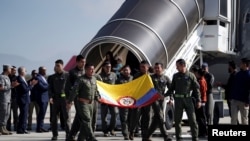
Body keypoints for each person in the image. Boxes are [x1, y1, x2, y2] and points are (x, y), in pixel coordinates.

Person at [165, 59, 201, 141]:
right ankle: (179, 137)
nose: (176, 68)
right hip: (178, 100)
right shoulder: (175, 76)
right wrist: (165, 96)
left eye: (178, 66)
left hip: (188, 99)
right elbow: (171, 88)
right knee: (177, 120)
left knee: (192, 119)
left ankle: (195, 137)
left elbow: (196, 89)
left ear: (183, 65)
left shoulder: (191, 75)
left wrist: (199, 100)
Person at [66, 63, 100, 141]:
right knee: (87, 120)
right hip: (82, 103)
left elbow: (95, 91)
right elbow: (74, 91)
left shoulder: (94, 79)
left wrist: (98, 98)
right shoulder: (80, 79)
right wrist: (70, 102)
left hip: (91, 104)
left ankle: (79, 138)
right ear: (86, 70)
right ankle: (91, 137)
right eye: (90, 69)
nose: (92, 71)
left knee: (83, 122)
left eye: (93, 69)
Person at [146, 62, 172, 141]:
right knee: (160, 116)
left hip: (161, 100)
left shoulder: (166, 78)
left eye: (158, 68)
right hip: (153, 99)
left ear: (162, 69)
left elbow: (171, 89)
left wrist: (170, 98)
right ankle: (166, 136)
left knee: (156, 119)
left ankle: (147, 136)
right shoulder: (151, 77)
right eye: (155, 68)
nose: (156, 69)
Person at [129, 60, 152, 141]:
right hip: (138, 100)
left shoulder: (151, 76)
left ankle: (145, 136)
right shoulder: (136, 76)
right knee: (135, 117)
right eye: (140, 67)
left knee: (146, 118)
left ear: (148, 67)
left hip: (147, 100)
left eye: (143, 67)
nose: (141, 68)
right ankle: (131, 132)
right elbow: (133, 87)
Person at [49, 59, 71, 140]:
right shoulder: (53, 77)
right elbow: (50, 88)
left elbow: (71, 88)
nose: (56, 67)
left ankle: (68, 134)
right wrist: (50, 97)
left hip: (65, 99)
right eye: (55, 65)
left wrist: (70, 100)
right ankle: (55, 135)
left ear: (62, 66)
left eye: (58, 65)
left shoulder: (67, 75)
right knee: (54, 118)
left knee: (67, 118)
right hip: (56, 100)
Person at [66, 54, 86, 141]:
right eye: (82, 62)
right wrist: (69, 100)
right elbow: (68, 86)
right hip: (77, 98)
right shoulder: (72, 72)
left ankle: (71, 136)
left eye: (84, 62)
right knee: (81, 116)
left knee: (79, 117)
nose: (83, 63)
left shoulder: (86, 71)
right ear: (77, 62)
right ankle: (79, 136)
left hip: (85, 98)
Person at [16, 66, 37, 134]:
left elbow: (25, 87)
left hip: (25, 99)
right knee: (24, 115)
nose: (26, 72)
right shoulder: (19, 79)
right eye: (25, 71)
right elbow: (24, 90)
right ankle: (22, 129)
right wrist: (31, 85)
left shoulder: (22, 78)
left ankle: (20, 128)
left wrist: (29, 85)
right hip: (23, 99)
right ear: (22, 72)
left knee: (23, 115)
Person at [99, 61, 118, 137]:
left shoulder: (114, 75)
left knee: (115, 113)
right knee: (104, 116)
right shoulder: (99, 76)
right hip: (103, 99)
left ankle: (111, 129)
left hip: (112, 98)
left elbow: (117, 85)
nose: (108, 68)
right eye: (107, 67)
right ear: (103, 67)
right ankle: (105, 131)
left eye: (110, 67)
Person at [115, 65, 133, 140]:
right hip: (123, 102)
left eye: (127, 70)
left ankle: (131, 133)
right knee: (124, 119)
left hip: (132, 101)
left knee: (131, 118)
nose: (126, 71)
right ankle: (125, 134)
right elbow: (115, 90)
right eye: (124, 70)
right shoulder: (119, 80)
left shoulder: (133, 79)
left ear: (130, 71)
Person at [230, 58, 250, 125]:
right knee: (233, 118)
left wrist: (247, 101)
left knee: (244, 119)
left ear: (245, 64)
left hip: (244, 101)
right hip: (235, 100)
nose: (239, 64)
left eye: (241, 63)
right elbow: (234, 86)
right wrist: (231, 96)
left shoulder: (248, 75)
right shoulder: (238, 74)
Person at [0, 65, 17, 135]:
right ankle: (1, 128)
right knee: (3, 114)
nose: (11, 70)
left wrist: (12, 86)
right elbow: (1, 88)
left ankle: (4, 128)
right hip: (3, 98)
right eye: (10, 69)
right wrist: (11, 86)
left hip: (8, 98)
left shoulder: (7, 77)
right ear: (7, 69)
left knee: (7, 114)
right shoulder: (1, 77)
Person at [192, 68, 208, 137]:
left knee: (201, 118)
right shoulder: (203, 80)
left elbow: (200, 91)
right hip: (202, 100)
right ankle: (203, 132)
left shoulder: (201, 81)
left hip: (201, 101)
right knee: (201, 117)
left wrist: (199, 100)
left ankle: (203, 132)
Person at [33, 66, 49, 133]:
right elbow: (41, 87)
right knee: (41, 114)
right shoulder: (37, 77)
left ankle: (41, 127)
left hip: (45, 98)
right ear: (41, 71)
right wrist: (49, 86)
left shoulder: (43, 78)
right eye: (44, 70)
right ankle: (39, 128)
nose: (45, 71)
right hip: (41, 98)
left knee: (43, 114)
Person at [7, 66, 18, 131]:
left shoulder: (17, 78)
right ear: (10, 70)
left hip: (15, 98)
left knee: (15, 113)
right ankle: (8, 127)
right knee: (8, 114)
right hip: (8, 97)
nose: (15, 71)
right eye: (14, 70)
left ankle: (16, 126)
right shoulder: (7, 77)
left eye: (15, 70)